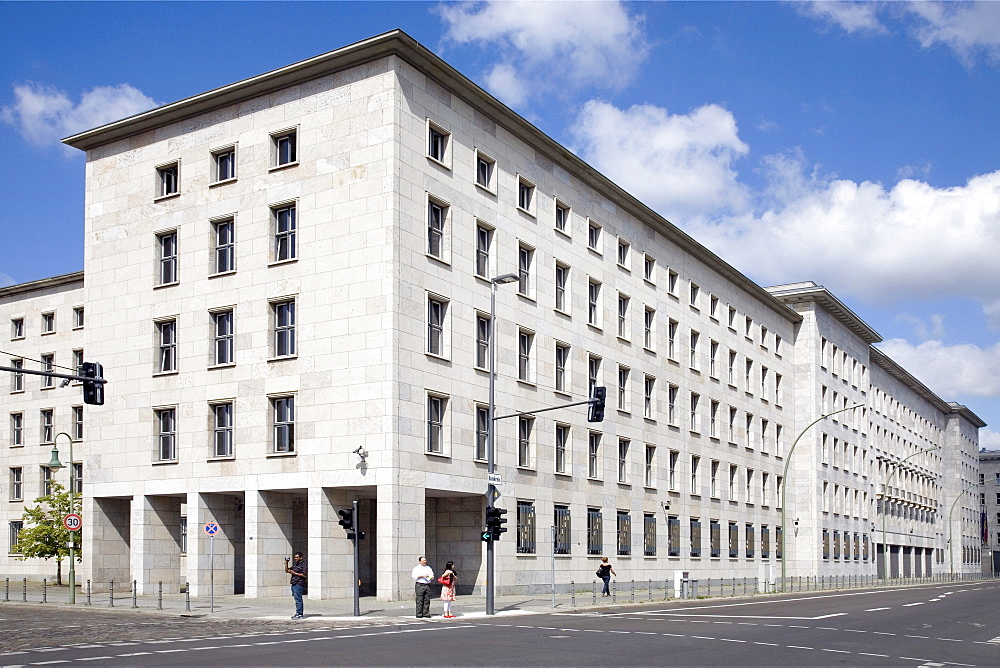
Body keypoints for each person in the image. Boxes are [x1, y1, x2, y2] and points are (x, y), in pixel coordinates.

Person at [284, 551, 308, 619]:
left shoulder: (303, 565)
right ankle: (298, 613)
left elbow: (304, 575)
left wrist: (295, 573)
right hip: (294, 583)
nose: (296, 558)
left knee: (298, 599)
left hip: (299, 584)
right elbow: (287, 570)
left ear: (301, 557)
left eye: (297, 557)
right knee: (296, 599)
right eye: (295, 557)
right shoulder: (295, 565)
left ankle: (300, 614)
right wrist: (286, 563)